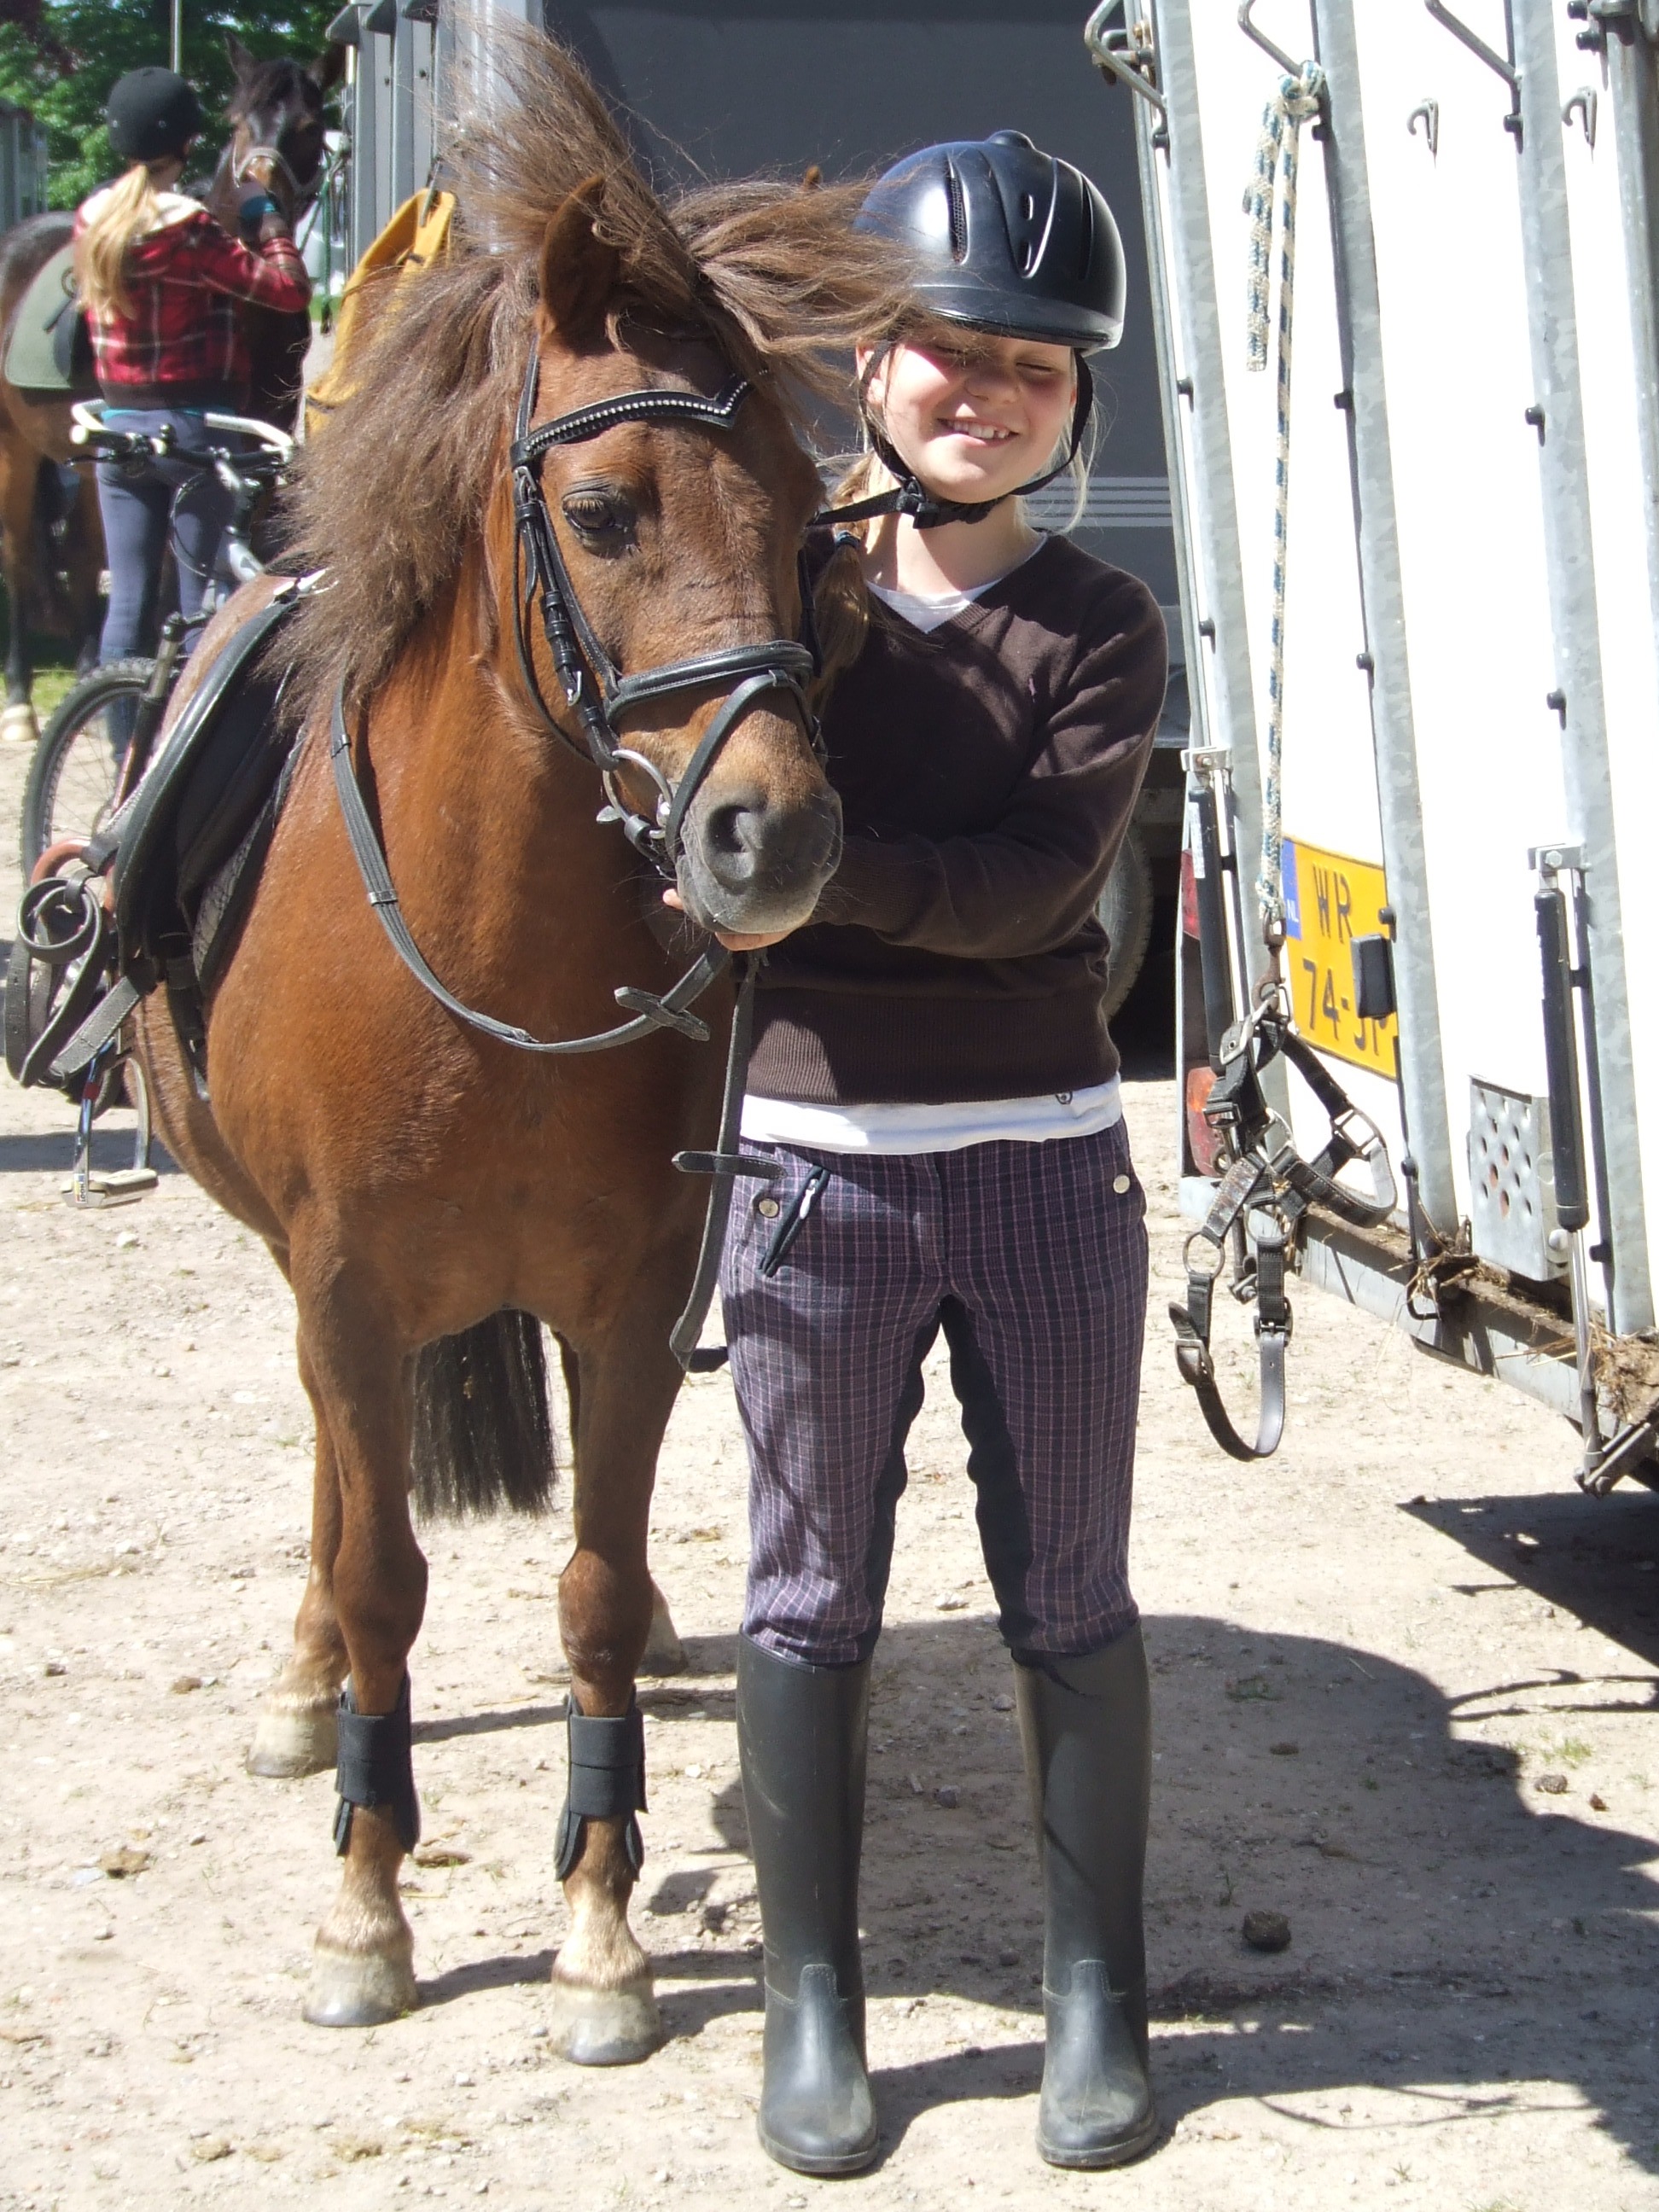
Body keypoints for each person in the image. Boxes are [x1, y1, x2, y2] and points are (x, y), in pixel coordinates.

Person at [698, 132, 1168, 2175]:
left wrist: (803, 879)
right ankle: (814, 2001)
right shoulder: (775, 597)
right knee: (808, 1593)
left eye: (1032, 371)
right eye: (940, 354)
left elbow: (1024, 896)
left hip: (1046, 1166)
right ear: (862, 366)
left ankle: (1095, 1993)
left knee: (1068, 1585)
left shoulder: (1100, 627)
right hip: (810, 1166)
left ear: (1076, 403)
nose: (980, 395)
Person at [73, 66, 310, 671]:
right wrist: (268, 216)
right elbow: (287, 291)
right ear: (185, 143)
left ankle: (128, 748)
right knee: (205, 607)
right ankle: (199, 753)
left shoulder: (93, 216)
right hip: (193, 434)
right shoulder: (188, 226)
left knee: (126, 605)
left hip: (118, 429)